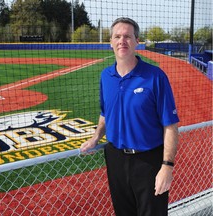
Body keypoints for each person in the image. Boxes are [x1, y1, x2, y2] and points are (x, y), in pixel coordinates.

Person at [80, 17, 179, 216]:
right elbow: (105, 113)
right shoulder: (105, 76)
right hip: (115, 158)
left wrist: (167, 167)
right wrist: (95, 137)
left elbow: (170, 125)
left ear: (137, 41)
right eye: (117, 36)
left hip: (148, 161)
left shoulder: (156, 76)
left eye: (127, 36)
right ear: (110, 42)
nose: (122, 41)